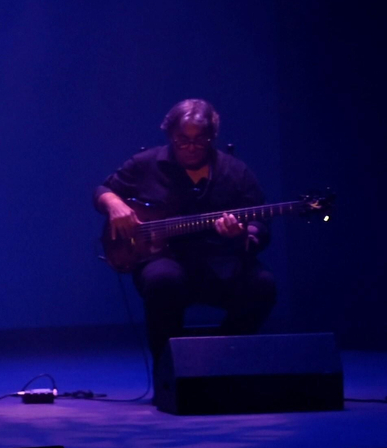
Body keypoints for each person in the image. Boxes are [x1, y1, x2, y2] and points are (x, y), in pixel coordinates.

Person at [94, 99, 277, 380]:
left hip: (220, 261)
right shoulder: (146, 164)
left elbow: (259, 223)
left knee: (263, 285)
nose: (191, 147)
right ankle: (169, 375)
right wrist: (114, 204)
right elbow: (103, 190)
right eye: (182, 141)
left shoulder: (235, 171)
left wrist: (244, 234)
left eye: (200, 140)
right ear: (170, 135)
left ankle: (220, 360)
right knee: (162, 280)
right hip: (163, 258)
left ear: (212, 137)